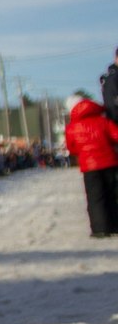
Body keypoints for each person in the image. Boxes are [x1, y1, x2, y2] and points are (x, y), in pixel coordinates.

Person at [64, 93, 118, 237]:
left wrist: (83, 153)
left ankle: (99, 228)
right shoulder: (103, 120)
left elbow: (71, 147)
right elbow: (116, 136)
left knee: (95, 197)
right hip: (109, 161)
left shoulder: (72, 126)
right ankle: (114, 225)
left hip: (89, 166)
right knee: (111, 194)